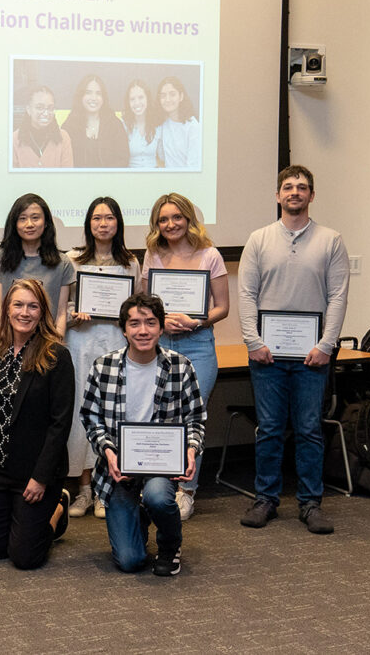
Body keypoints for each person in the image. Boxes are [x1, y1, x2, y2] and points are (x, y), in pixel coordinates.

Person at [238, 165, 349, 534]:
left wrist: (326, 345)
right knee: (268, 429)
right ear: (277, 195)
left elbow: (337, 296)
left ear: (312, 196)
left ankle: (310, 503)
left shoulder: (331, 240)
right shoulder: (259, 239)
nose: (295, 192)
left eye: (302, 187)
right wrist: (253, 341)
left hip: (312, 356)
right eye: (288, 187)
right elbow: (247, 294)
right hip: (266, 355)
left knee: (309, 430)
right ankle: (265, 499)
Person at [81, 293, 206, 576]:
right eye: (134, 323)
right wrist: (109, 453)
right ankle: (138, 517)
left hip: (160, 467)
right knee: (130, 561)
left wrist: (190, 449)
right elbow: (90, 417)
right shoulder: (104, 367)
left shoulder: (181, 366)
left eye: (151, 323)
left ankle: (170, 545)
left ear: (161, 328)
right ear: (123, 329)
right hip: (118, 469)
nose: (143, 331)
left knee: (159, 497)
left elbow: (195, 418)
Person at [0, 280, 75, 569]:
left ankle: (56, 510)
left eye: (33, 306)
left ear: (42, 313)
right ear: (7, 310)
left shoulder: (56, 356)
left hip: (34, 473)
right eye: (18, 304)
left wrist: (41, 477)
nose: (25, 312)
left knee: (24, 558)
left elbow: (60, 424)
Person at [142, 193, 229, 520]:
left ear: (188, 218)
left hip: (198, 345)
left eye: (176, 217)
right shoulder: (153, 255)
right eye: (163, 219)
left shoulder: (211, 255)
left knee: (193, 419)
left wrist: (198, 320)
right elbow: (145, 302)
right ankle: (159, 486)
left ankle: (187, 490)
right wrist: (158, 320)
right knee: (160, 416)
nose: (170, 224)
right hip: (160, 346)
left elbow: (222, 307)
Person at [64, 198, 141, 519]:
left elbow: (136, 309)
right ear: (88, 224)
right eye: (97, 218)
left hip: (115, 346)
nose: (103, 223)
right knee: (83, 417)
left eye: (109, 217)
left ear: (118, 223)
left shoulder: (131, 263)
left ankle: (105, 488)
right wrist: (73, 314)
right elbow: (62, 307)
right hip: (81, 343)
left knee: (113, 416)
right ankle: (84, 491)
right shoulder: (72, 259)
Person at [0, 194, 75, 341]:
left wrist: (56, 348)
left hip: (47, 345)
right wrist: (5, 345)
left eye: (35, 218)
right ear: (14, 224)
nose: (29, 224)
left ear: (46, 223)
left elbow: (61, 313)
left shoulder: (62, 262)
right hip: (11, 343)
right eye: (22, 218)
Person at [61, 74, 129, 168]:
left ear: (103, 98)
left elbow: (123, 159)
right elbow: (64, 160)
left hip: (109, 181)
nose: (93, 98)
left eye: (98, 93)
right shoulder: (70, 125)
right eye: (88, 92)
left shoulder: (115, 125)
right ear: (81, 96)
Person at [12, 85, 74, 168]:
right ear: (28, 109)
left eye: (50, 108)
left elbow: (68, 176)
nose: (46, 113)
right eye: (39, 107)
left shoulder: (63, 137)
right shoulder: (14, 139)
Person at [156, 76, 200, 169]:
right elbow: (162, 157)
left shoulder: (193, 126)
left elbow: (193, 166)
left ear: (181, 97)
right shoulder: (163, 124)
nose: (167, 99)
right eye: (163, 95)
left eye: (172, 94)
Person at [122, 79, 162, 169]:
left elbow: (163, 156)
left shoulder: (158, 125)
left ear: (147, 98)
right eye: (132, 99)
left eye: (141, 97)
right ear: (128, 102)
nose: (137, 103)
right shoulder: (123, 125)